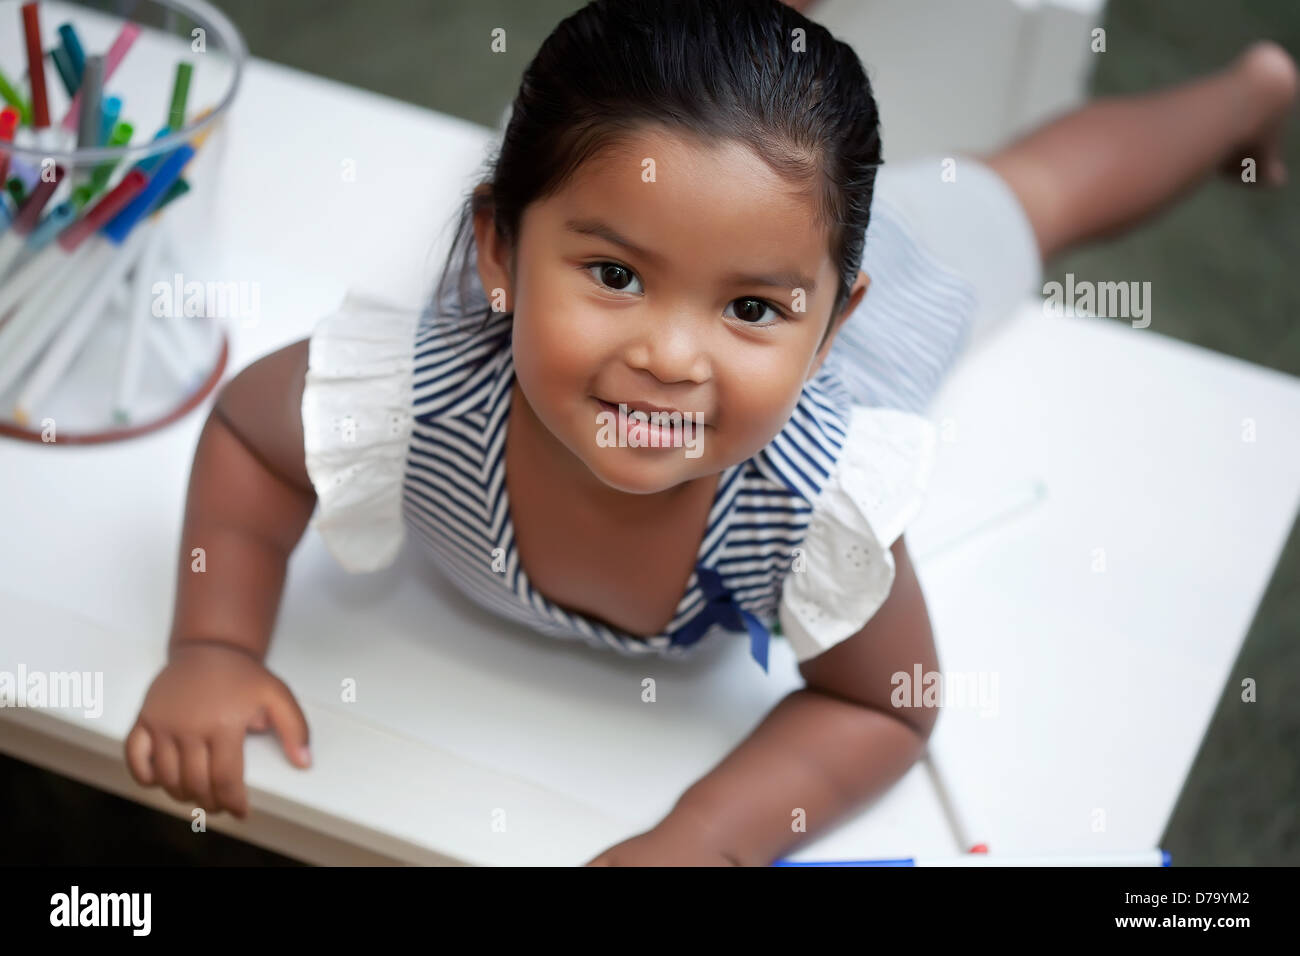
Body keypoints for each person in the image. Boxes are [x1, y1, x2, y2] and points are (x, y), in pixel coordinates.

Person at [123, 0, 1296, 865]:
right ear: (497, 251)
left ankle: (1246, 94)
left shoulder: (813, 499)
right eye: (614, 277)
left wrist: (712, 836)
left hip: (827, 268)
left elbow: (889, 700)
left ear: (829, 322)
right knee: (634, 103)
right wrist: (214, 644)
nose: (672, 355)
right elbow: (249, 442)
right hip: (616, 178)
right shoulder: (409, 392)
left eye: (750, 309)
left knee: (1029, 193)